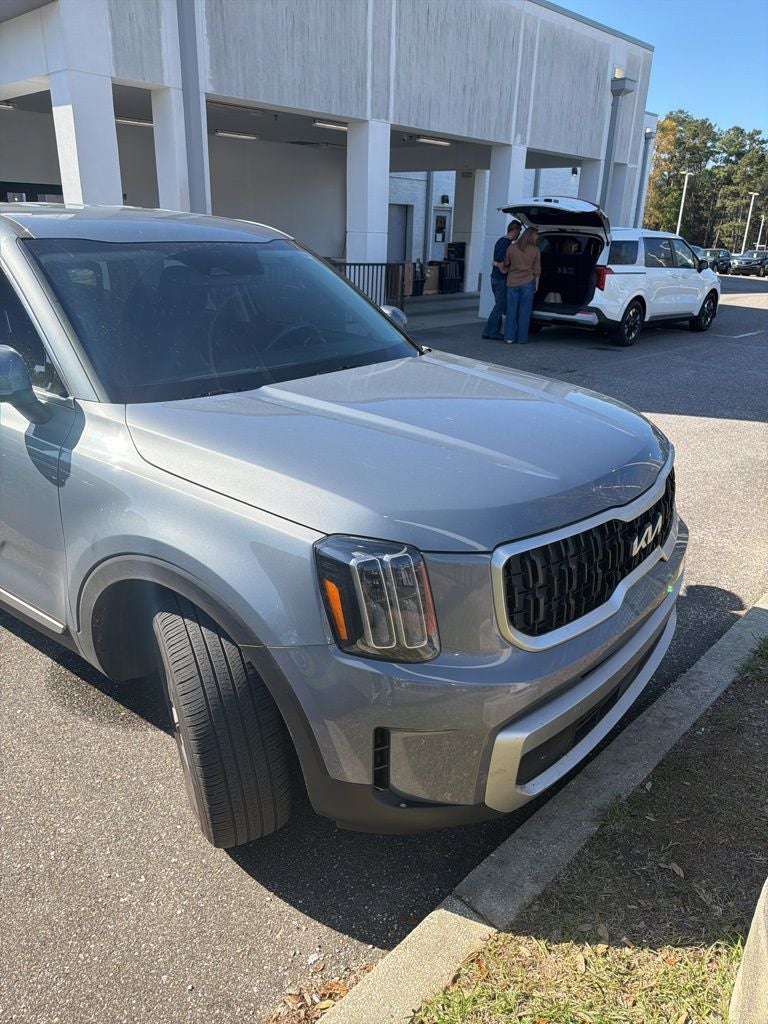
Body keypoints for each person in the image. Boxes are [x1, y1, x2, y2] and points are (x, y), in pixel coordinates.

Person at [482, 220, 521, 339]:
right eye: (519, 231)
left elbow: (495, 261)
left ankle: (489, 331)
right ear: (514, 230)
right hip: (501, 279)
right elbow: (501, 263)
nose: (519, 234)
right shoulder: (506, 244)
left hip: (495, 278)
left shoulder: (500, 241)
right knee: (500, 305)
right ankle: (491, 332)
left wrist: (495, 264)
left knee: (498, 305)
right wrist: (506, 268)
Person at [503, 227, 541, 344]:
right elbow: (537, 270)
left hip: (512, 282)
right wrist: (536, 284)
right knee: (524, 312)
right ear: (531, 236)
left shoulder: (511, 248)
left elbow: (506, 263)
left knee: (511, 311)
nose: (537, 238)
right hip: (527, 282)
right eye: (536, 236)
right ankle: (522, 338)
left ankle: (509, 337)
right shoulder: (535, 250)